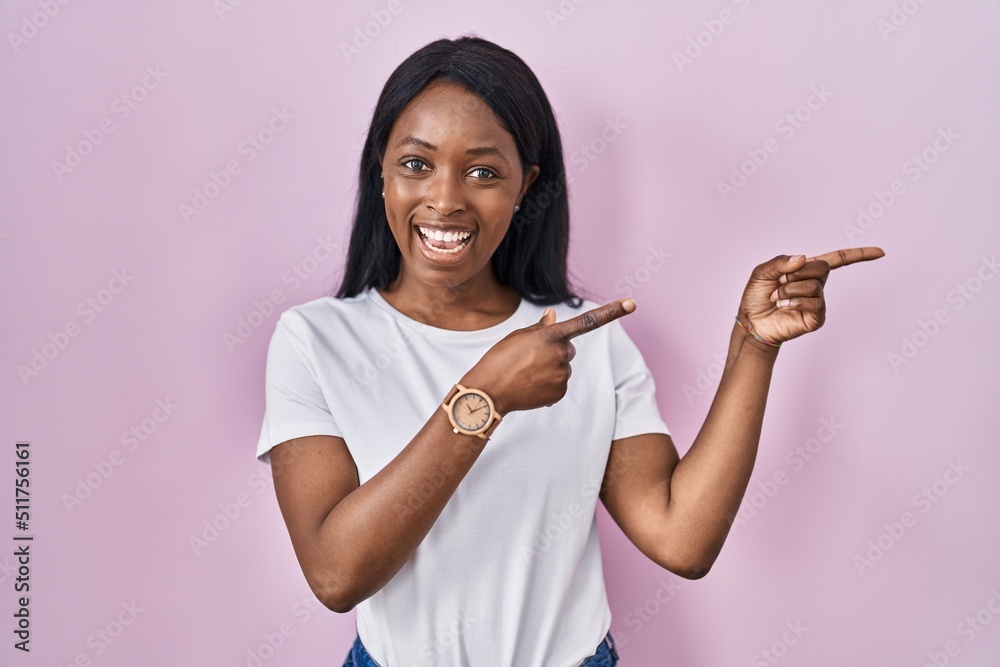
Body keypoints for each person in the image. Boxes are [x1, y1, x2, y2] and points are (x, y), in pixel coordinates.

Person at [255, 35, 884, 667]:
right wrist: (486, 397)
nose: (445, 199)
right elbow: (336, 575)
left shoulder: (587, 337)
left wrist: (753, 345)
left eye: (483, 172)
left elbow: (682, 538)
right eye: (416, 164)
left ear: (525, 186)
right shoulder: (315, 340)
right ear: (381, 172)